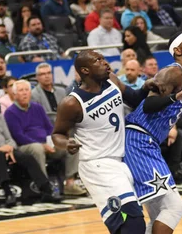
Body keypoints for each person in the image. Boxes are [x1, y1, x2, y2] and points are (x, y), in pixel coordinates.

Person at [52, 50, 151, 233]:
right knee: (134, 221)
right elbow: (57, 134)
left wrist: (147, 87)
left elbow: (135, 99)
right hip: (96, 165)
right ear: (85, 70)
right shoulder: (72, 103)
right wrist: (66, 143)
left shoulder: (112, 80)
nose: (105, 63)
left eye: (104, 59)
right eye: (98, 60)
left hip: (120, 162)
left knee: (123, 224)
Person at [123, 31, 182, 233]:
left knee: (159, 215)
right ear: (177, 50)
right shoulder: (172, 72)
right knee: (175, 207)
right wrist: (176, 97)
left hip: (147, 142)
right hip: (139, 139)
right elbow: (149, 105)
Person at [0, 86, 61, 206]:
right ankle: (8, 193)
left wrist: (9, 148)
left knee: (27, 157)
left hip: (5, 151)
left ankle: (46, 191)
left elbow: (10, 139)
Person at [4, 80, 86, 196]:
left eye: (26, 90)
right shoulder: (10, 112)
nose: (24, 93)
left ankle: (70, 183)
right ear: (15, 94)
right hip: (24, 147)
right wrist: (43, 145)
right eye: (21, 91)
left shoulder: (38, 107)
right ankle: (45, 187)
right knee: (37, 148)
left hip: (46, 144)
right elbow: (19, 136)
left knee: (71, 143)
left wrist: (53, 142)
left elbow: (49, 128)